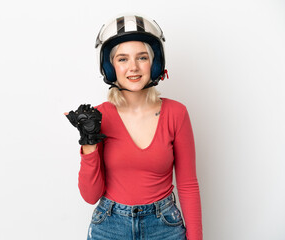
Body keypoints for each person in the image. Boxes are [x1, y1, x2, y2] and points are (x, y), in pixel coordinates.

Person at [65, 14, 202, 240]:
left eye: (142, 57)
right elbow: (91, 196)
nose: (133, 67)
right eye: (122, 59)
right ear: (110, 68)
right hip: (109, 226)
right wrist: (88, 143)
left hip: (164, 226)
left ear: (155, 63)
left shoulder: (176, 113)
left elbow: (188, 185)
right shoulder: (98, 117)